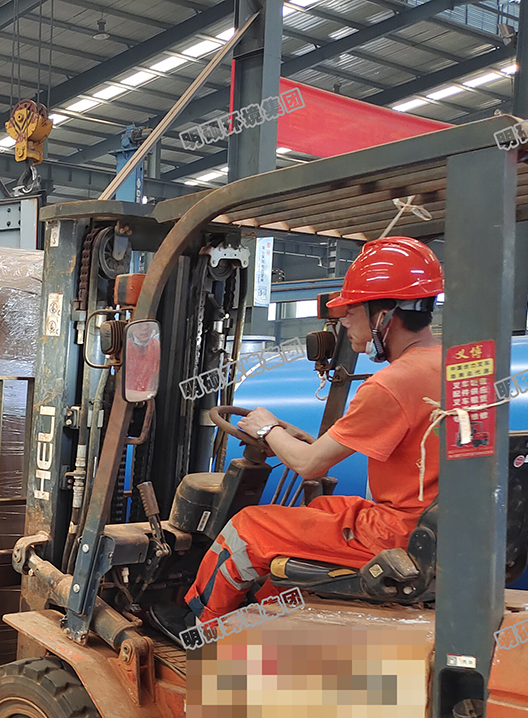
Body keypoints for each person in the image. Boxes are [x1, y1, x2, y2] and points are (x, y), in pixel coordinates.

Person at [150, 237, 445, 642]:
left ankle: (200, 628)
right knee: (321, 508)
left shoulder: (393, 384)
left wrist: (266, 428)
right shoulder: (455, 365)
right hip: (438, 528)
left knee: (249, 527)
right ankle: (264, 617)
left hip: (398, 533)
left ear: (384, 314)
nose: (344, 322)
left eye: (351, 311)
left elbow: (308, 464)